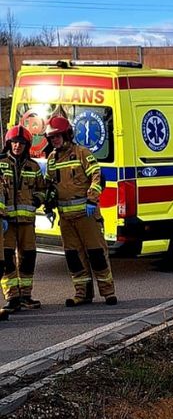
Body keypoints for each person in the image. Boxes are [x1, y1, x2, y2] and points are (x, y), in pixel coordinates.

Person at [44, 115, 117, 306]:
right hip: (66, 219)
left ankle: (108, 293)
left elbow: (97, 176)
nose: (55, 140)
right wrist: (49, 205)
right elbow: (50, 185)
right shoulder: (51, 159)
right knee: (74, 257)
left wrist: (92, 199)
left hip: (87, 215)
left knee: (97, 254)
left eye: (58, 136)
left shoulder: (82, 152)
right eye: (52, 138)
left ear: (67, 134)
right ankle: (82, 294)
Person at [0, 125, 47, 312]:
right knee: (8, 259)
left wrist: (38, 199)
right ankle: (12, 298)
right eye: (14, 142)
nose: (17, 146)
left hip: (27, 222)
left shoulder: (33, 167)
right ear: (8, 143)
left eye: (21, 143)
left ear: (26, 145)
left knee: (28, 258)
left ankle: (26, 296)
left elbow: (42, 189)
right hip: (7, 223)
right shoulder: (1, 163)